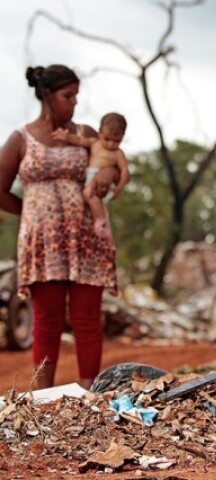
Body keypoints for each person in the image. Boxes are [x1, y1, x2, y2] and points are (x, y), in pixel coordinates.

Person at [0, 65, 118, 390]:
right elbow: (0, 186)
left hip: (86, 238)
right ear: (47, 96)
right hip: (43, 243)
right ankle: (44, 399)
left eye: (77, 96)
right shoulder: (20, 139)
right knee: (48, 322)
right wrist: (30, 213)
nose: (74, 103)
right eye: (68, 96)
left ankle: (90, 395)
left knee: (87, 320)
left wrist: (108, 178)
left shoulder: (86, 135)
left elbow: (110, 165)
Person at [53, 112, 129, 241]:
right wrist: (65, 136)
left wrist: (119, 188)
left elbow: (125, 171)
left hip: (102, 183)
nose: (111, 144)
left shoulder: (118, 154)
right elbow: (79, 140)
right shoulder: (95, 143)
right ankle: (98, 218)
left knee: (88, 194)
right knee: (89, 195)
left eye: (117, 141)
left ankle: (100, 219)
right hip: (91, 176)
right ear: (100, 133)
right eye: (107, 139)